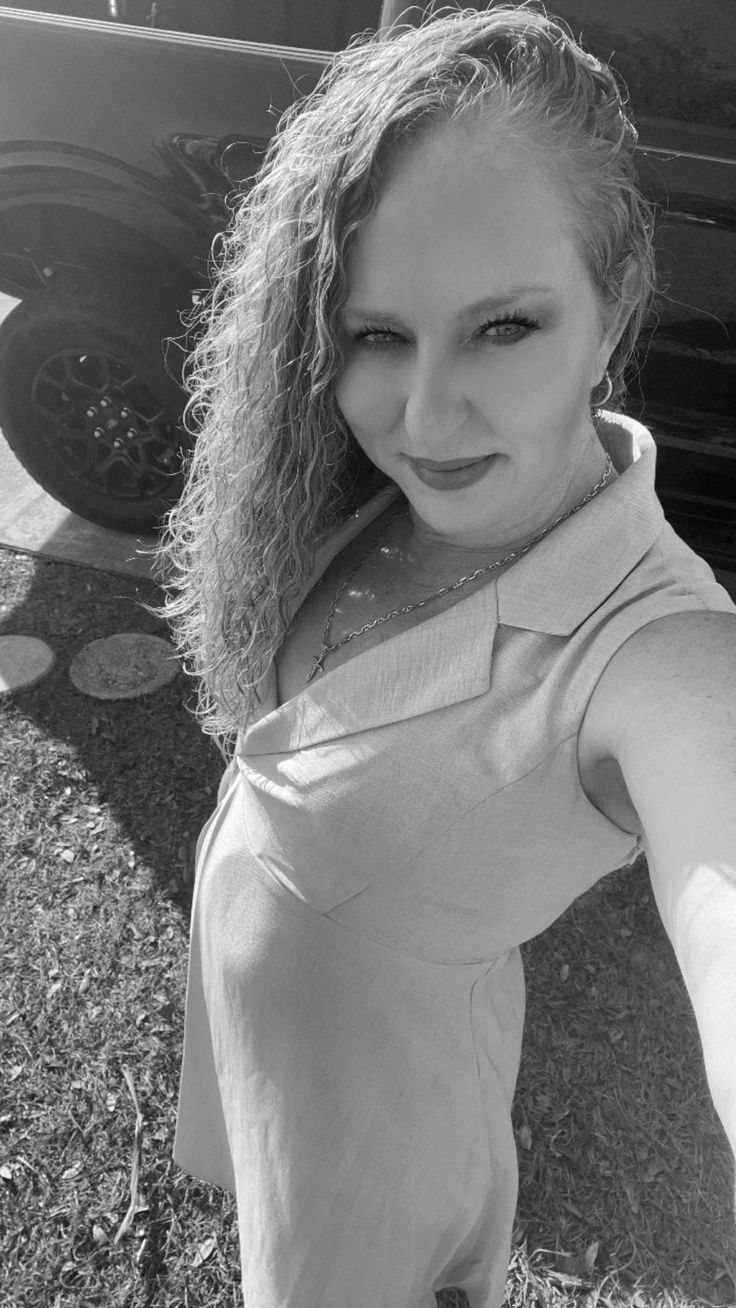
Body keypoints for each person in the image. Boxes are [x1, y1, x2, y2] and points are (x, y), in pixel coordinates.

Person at [159, 5, 736, 1305]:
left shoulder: (655, 650)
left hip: (377, 1151)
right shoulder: (358, 490)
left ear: (614, 309)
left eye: (504, 326)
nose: (421, 420)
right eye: (377, 334)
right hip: (290, 1039)